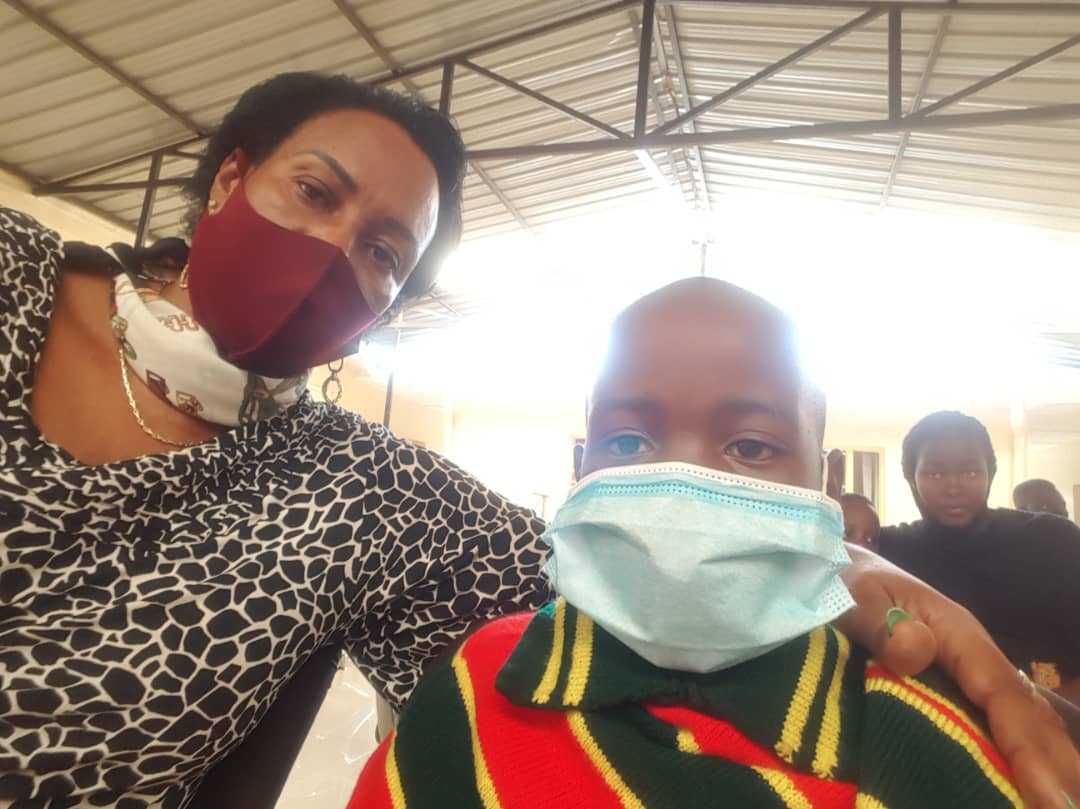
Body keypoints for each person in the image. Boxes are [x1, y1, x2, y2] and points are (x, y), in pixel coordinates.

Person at [0, 72, 1076, 808]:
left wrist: (841, 560)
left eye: (384, 253)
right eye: (314, 192)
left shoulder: (366, 490)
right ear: (232, 178)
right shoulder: (14, 273)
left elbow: (644, 587)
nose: (334, 252)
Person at [349, 279, 1075, 809]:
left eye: (751, 447)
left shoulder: (908, 725)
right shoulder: (484, 682)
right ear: (581, 464)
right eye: (627, 440)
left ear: (822, 480)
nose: (683, 480)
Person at [877, 411, 1080, 706]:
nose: (953, 488)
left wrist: (1046, 711)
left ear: (990, 474)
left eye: (970, 472)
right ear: (911, 478)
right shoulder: (893, 550)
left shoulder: (1051, 539)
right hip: (939, 723)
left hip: (1057, 718)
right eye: (935, 474)